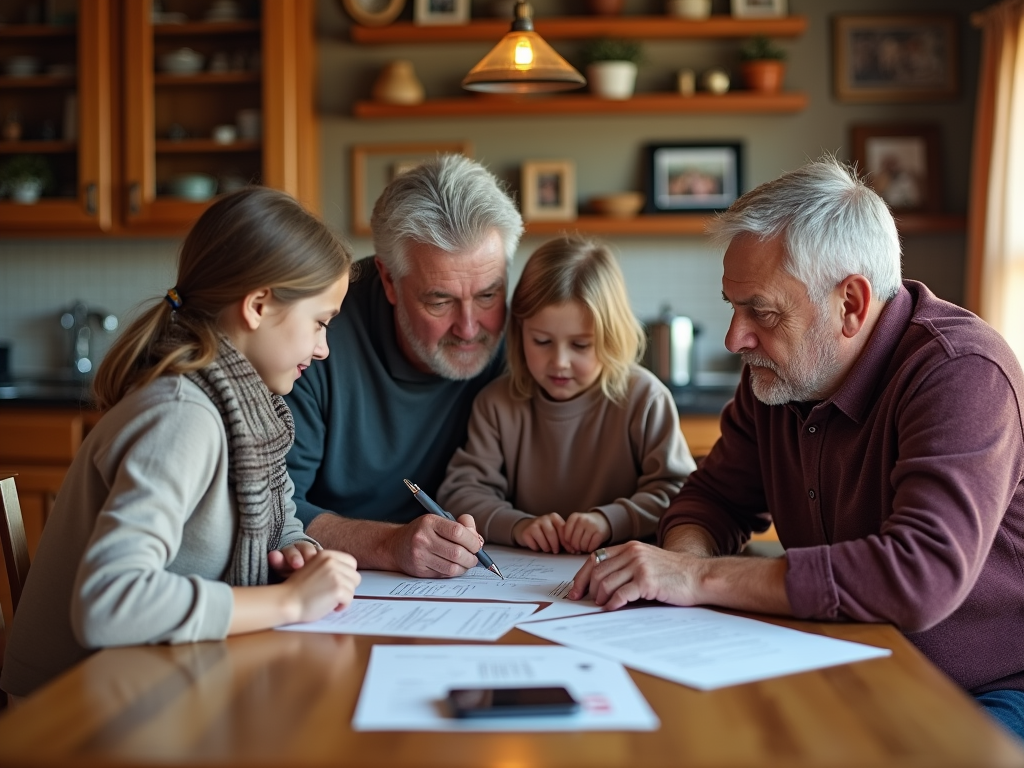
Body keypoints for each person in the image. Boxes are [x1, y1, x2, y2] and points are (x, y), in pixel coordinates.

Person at [567, 155, 1024, 739]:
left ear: (851, 305)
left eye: (760, 311)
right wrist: (678, 565)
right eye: (734, 306)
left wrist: (695, 578)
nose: (736, 337)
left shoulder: (961, 373)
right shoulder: (778, 373)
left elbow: (919, 574)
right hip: (838, 656)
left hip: (983, 687)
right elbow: (714, 498)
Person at [1, 187, 362, 700]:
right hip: (75, 711)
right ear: (258, 305)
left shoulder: (250, 409)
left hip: (157, 678)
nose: (324, 349)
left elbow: (283, 518)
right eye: (320, 323)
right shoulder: (182, 416)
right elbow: (109, 602)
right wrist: (291, 605)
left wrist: (296, 552)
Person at [285, 154, 524, 578]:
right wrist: (387, 543)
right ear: (389, 280)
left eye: (488, 295)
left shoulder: (532, 334)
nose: (469, 328)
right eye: (440, 300)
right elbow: (272, 508)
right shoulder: (314, 336)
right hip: (344, 588)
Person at [438, 237, 695, 554]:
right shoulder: (496, 404)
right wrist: (516, 525)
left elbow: (679, 492)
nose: (559, 362)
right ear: (519, 334)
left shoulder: (645, 399)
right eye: (542, 341)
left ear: (611, 337)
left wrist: (610, 521)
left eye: (580, 345)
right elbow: (461, 493)